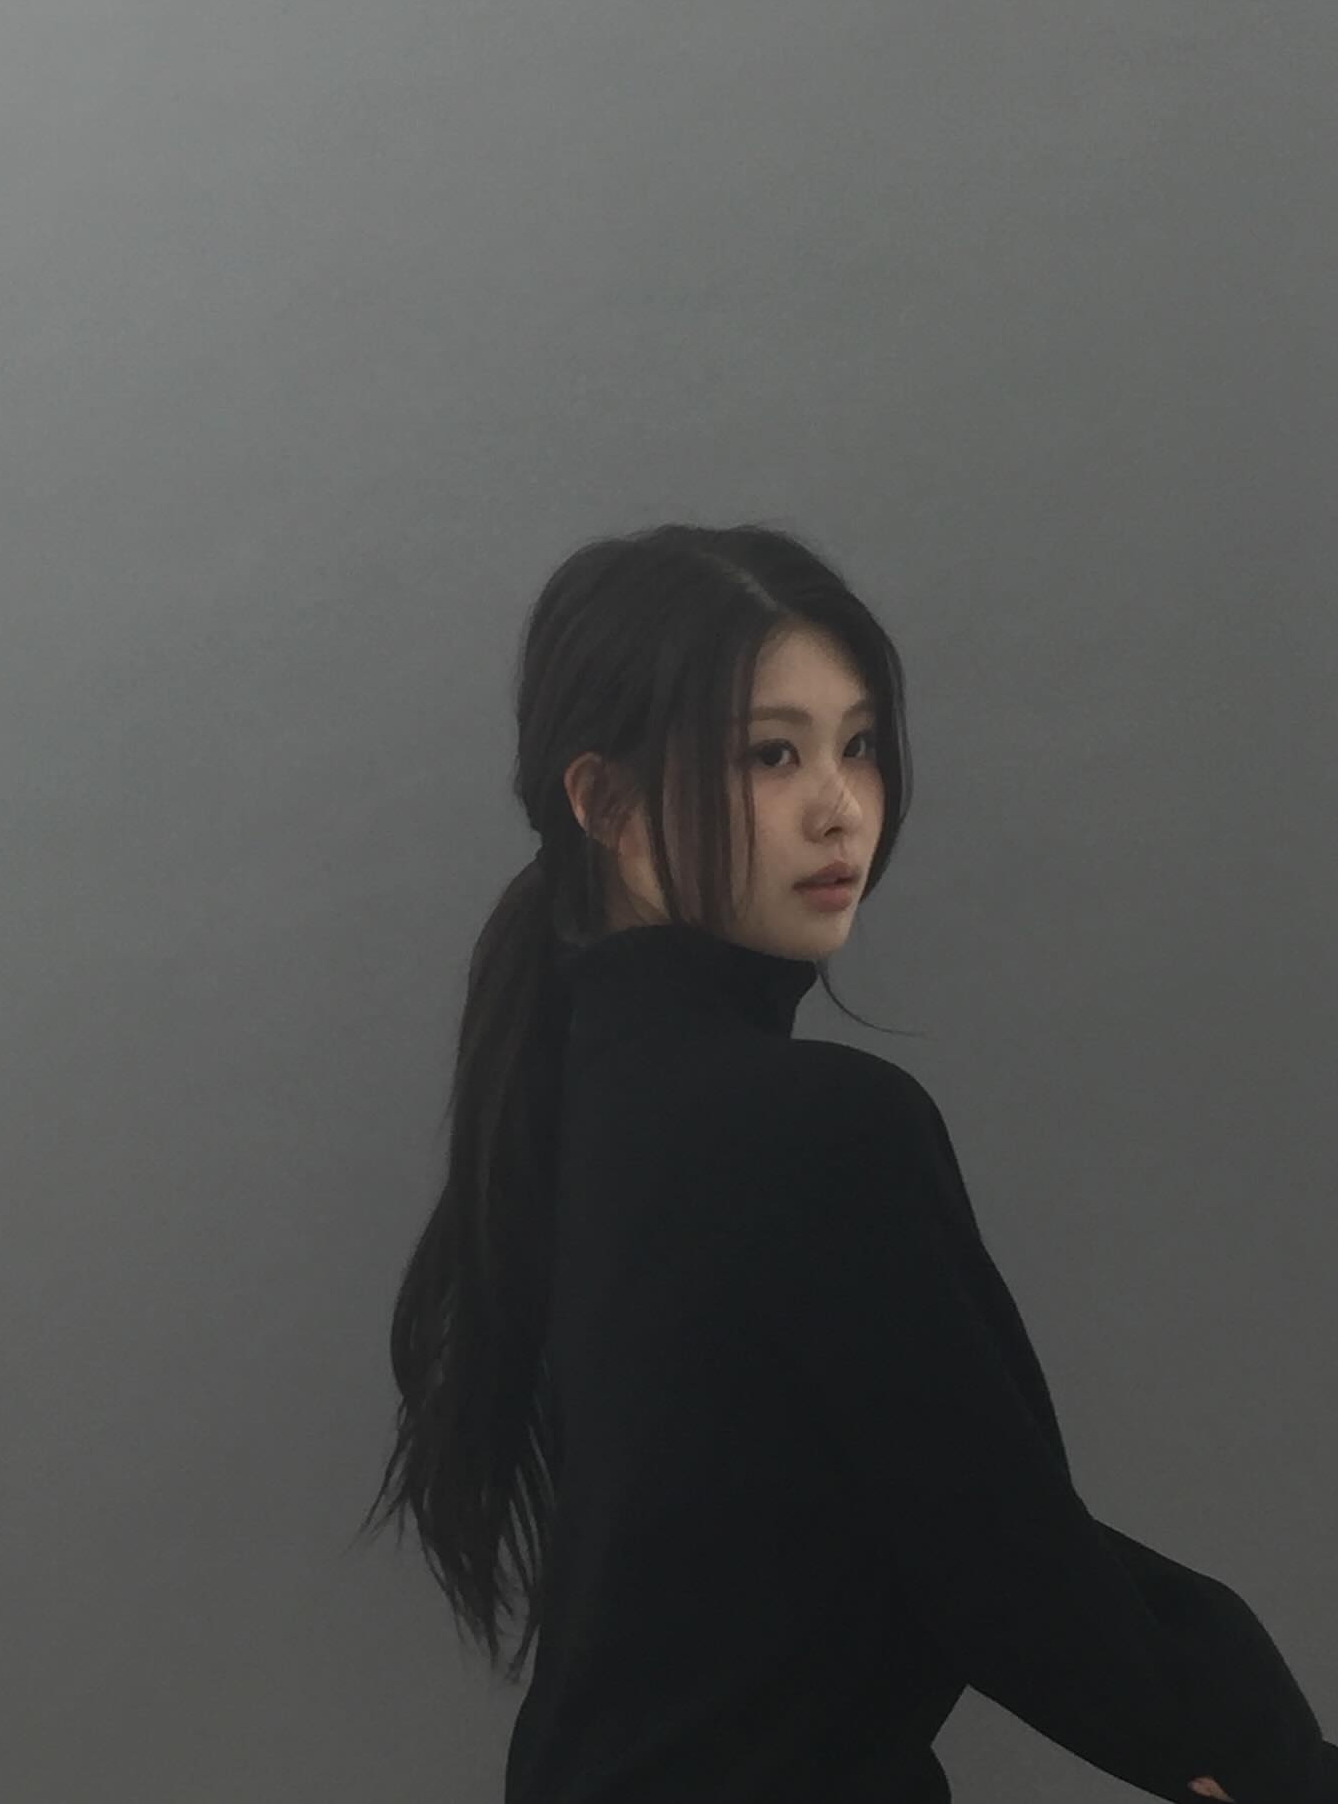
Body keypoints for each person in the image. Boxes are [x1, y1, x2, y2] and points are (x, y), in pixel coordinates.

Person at [358, 520, 1334, 1802]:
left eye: (859, 744)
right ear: (605, 803)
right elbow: (1005, 1559)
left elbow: (952, 1533)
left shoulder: (571, 1100)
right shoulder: (816, 1129)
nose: (841, 807)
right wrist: (1262, 1758)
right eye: (772, 754)